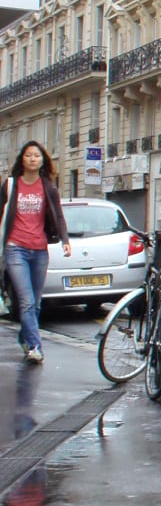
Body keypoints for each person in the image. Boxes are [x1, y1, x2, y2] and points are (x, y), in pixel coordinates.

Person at [0, 141, 71, 364]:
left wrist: (65, 240)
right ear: (22, 159)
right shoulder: (11, 185)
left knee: (36, 303)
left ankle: (25, 336)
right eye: (29, 155)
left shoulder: (48, 187)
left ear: (42, 161)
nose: (32, 159)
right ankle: (34, 346)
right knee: (27, 301)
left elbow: (58, 216)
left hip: (39, 250)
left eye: (37, 156)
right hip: (15, 248)